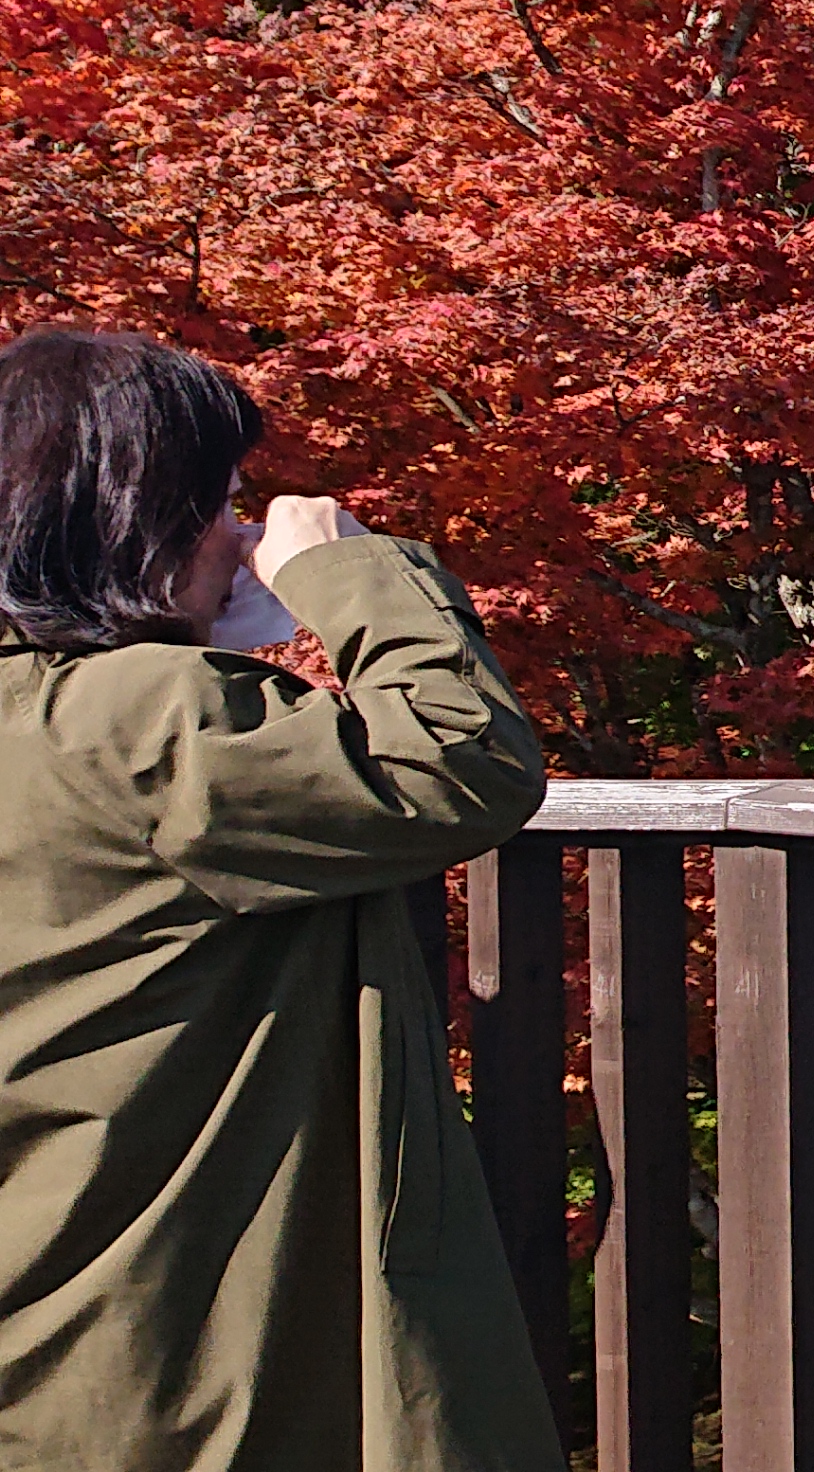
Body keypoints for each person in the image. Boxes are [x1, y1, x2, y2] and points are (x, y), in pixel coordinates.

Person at [0, 327, 559, 1472]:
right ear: (131, 513)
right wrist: (344, 574)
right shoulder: (137, 718)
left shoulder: (48, 713)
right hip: (176, 1351)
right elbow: (458, 762)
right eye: (221, 498)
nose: (240, 530)